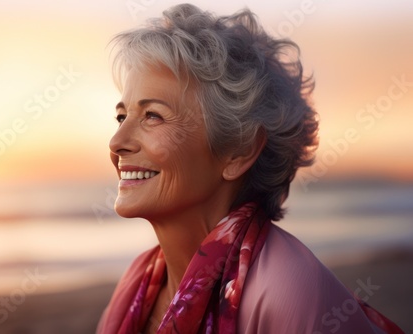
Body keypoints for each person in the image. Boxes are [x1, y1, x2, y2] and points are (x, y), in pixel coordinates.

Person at [96, 3, 404, 334]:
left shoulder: (290, 293)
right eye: (121, 116)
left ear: (238, 151)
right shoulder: (139, 281)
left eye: (152, 116)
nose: (117, 141)